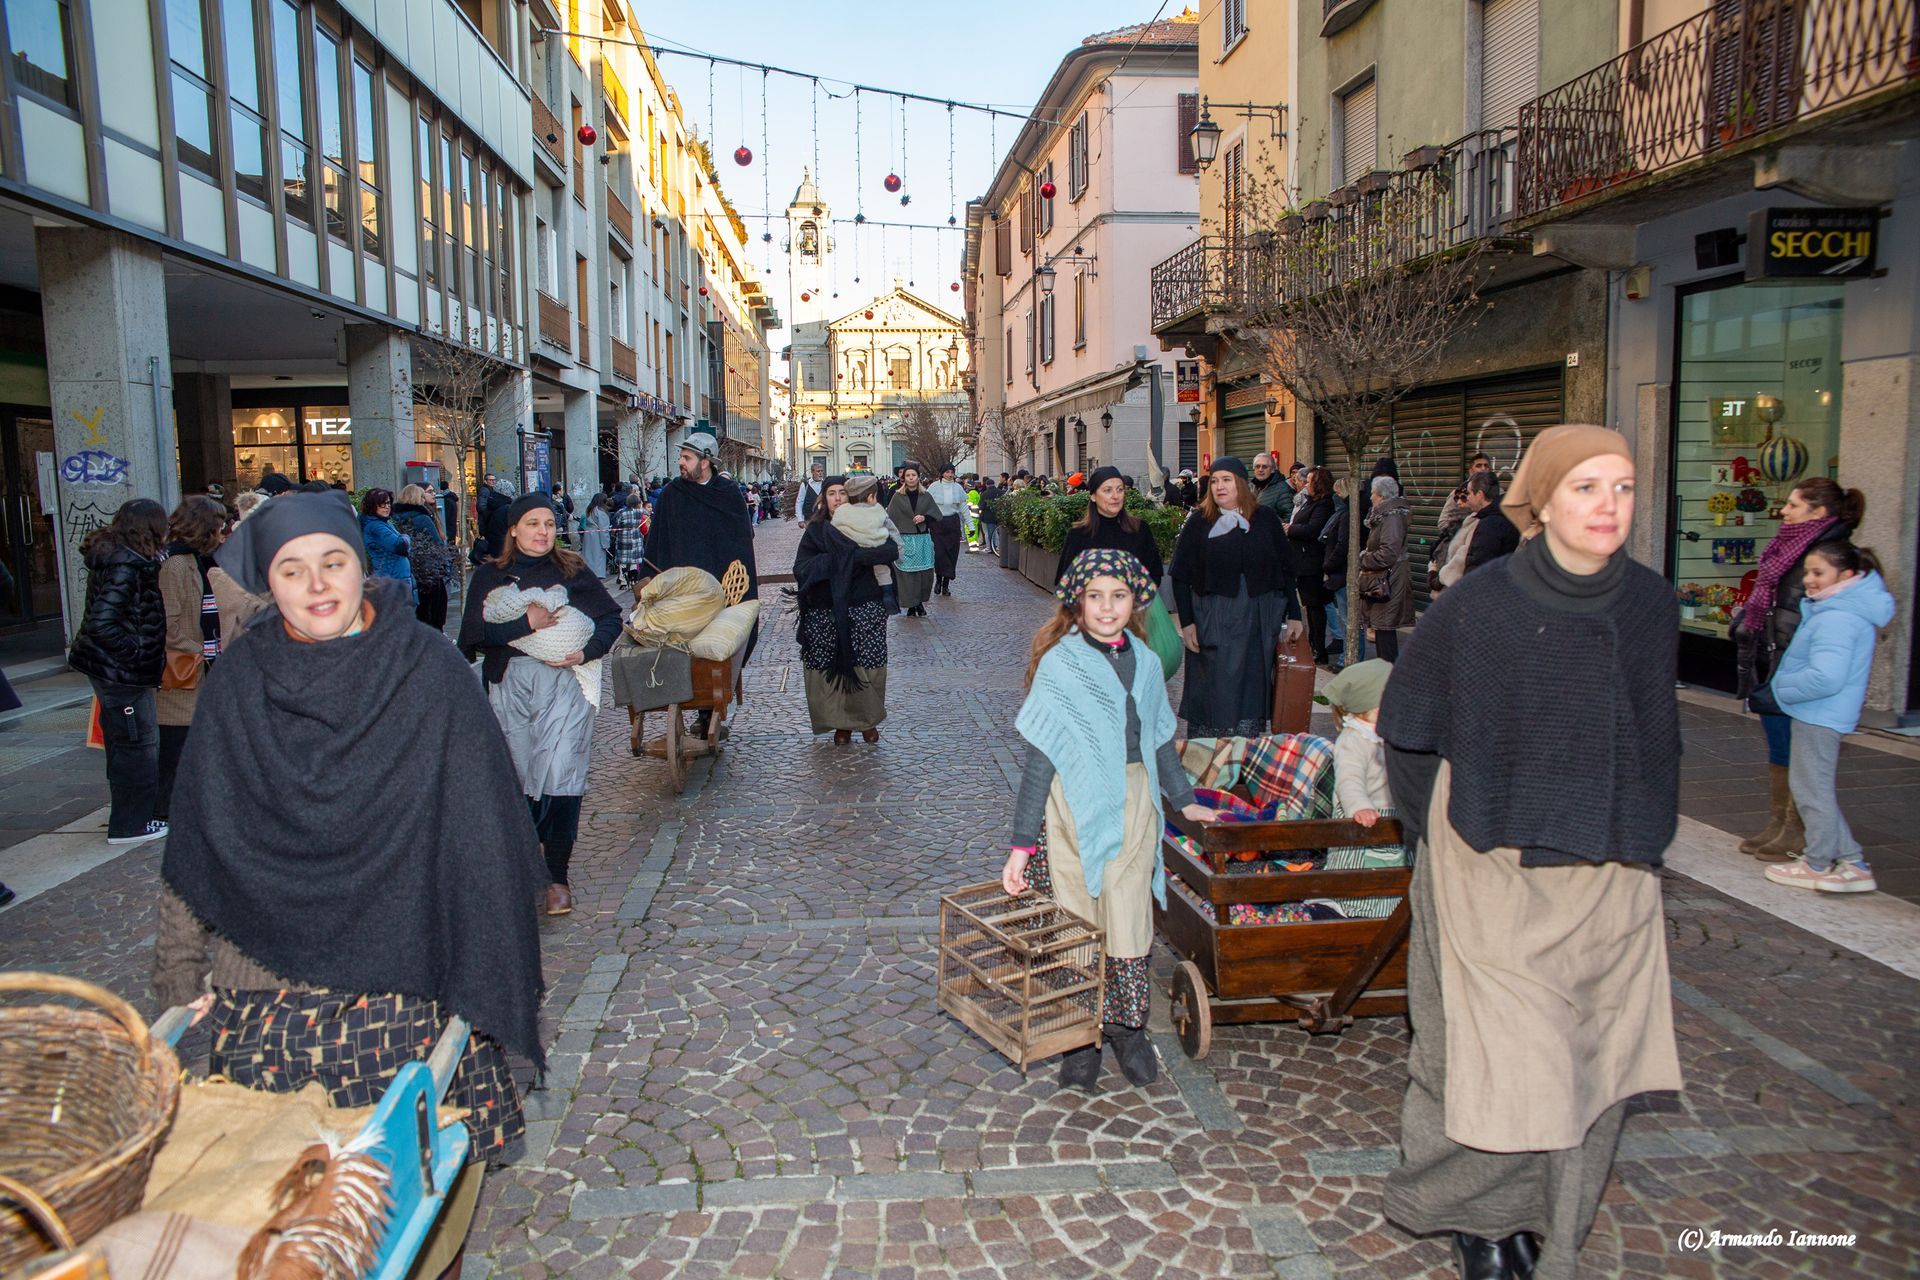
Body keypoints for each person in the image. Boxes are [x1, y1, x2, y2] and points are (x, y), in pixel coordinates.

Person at [155, 491, 545, 1236]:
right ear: (267, 582)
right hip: (268, 996)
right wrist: (178, 970)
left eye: (332, 562)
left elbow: (482, 830)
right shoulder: (240, 681)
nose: (316, 586)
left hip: (405, 989)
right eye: (291, 570)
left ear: (360, 565)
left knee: (414, 1210)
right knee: (285, 1219)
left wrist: (481, 963)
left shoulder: (426, 669)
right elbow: (201, 832)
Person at [1378, 425, 1683, 1280]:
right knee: (1487, 1050)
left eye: (1623, 487)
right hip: (1491, 859)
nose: (1609, 505)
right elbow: (1408, 729)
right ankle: (1481, 1218)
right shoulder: (1478, 606)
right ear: (1541, 500)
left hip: (1610, 867)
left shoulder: (1651, 604)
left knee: (1597, 1053)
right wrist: (1439, 843)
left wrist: (1643, 829)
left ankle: (1557, 1219)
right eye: (1586, 487)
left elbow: (1656, 734)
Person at [1002, 549, 1216, 1092]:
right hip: (1072, 808)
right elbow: (1041, 756)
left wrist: (1184, 799)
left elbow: (1160, 738)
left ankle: (1125, 1030)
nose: (1106, 607)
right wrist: (1022, 845)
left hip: (1133, 802)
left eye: (1118, 596)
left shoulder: (1146, 663)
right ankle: (1080, 1037)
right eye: (1094, 596)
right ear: (1076, 602)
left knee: (1127, 916)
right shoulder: (1060, 665)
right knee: (1076, 919)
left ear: (1135, 601)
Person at [460, 495, 622, 917]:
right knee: (519, 775)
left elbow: (611, 618)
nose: (543, 531)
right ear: (514, 529)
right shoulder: (489, 576)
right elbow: (472, 638)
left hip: (564, 685)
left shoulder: (571, 570)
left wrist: (585, 652)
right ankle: (526, 865)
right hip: (507, 687)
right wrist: (524, 624)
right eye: (533, 523)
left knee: (562, 772)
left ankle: (556, 878)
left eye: (549, 523)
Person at [1730, 477, 1862, 862]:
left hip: (1798, 661)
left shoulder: (1831, 554)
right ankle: (1780, 822)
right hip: (1775, 654)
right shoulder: (1787, 545)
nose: (1784, 511)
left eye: (1793, 505)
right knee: (1778, 739)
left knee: (1798, 750)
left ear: (1818, 512)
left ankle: (1799, 829)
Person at [1761, 540, 1892, 895]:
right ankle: (1852, 862)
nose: (1809, 579)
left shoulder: (1837, 617)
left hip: (1819, 713)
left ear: (1846, 575)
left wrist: (1783, 687)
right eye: (1807, 572)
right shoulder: (1839, 610)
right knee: (1813, 788)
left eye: (1819, 572)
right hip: (1822, 712)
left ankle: (1818, 861)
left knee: (1811, 791)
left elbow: (1826, 677)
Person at [1169, 457, 1303, 738]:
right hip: (1213, 618)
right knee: (1214, 685)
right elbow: (1180, 576)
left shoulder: (1265, 519)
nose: (1219, 486)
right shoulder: (1199, 522)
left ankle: (1244, 747)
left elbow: (1286, 570)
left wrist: (1294, 614)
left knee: (1251, 683)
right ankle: (1210, 750)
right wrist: (1188, 622)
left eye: (1226, 480)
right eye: (1215, 481)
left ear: (1240, 484)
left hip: (1257, 619)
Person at [641, 426, 760, 735]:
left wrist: (735, 587)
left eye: (686, 458)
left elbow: (741, 539)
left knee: (714, 651)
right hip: (681, 590)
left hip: (721, 587)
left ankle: (711, 710)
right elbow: (657, 539)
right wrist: (648, 577)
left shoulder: (727, 494)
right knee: (682, 647)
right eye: (681, 457)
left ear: (705, 461)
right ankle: (687, 704)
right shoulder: (672, 494)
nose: (681, 463)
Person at [69, 498, 169, 846]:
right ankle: (130, 824)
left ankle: (133, 819)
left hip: (118, 671)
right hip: (121, 674)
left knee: (129, 744)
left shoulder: (127, 559)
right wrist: (135, 654)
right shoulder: (126, 565)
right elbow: (101, 623)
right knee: (135, 746)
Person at [796, 475, 899, 745]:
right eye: (831, 493)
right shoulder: (817, 530)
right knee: (831, 663)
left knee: (868, 662)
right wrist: (845, 559)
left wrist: (849, 557)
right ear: (823, 498)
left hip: (865, 604)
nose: (838, 498)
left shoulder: (870, 521)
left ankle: (866, 721)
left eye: (842, 492)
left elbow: (889, 550)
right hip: (826, 608)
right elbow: (802, 568)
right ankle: (841, 724)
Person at [155, 496, 227, 822]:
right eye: (218, 525)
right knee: (176, 744)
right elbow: (168, 625)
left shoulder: (198, 559)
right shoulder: (175, 564)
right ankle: (167, 810)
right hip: (184, 668)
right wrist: (198, 652)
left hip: (201, 663)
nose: (222, 531)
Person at [1055, 466, 1162, 586]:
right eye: (1108, 490)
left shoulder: (1139, 529)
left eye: (1120, 489)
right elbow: (1065, 582)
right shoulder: (1078, 535)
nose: (1115, 496)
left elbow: (1155, 573)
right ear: (1093, 496)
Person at [1357, 475, 1414, 661]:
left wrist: (1364, 558)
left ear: (1381, 496)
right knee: (1382, 628)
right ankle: (1386, 669)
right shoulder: (1386, 515)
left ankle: (1387, 671)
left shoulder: (1391, 517)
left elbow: (1388, 553)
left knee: (1384, 628)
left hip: (1388, 580)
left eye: (1373, 493)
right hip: (1385, 578)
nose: (1370, 497)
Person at [1286, 467, 1337, 664]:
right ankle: (1313, 645)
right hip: (1303, 561)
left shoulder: (1324, 505)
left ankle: (1318, 648)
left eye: (1309, 481)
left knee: (1316, 607)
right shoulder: (1310, 502)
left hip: (1312, 562)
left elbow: (1313, 529)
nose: (1306, 484)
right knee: (1311, 608)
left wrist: (1291, 529)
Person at [393, 483, 453, 630]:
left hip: (407, 568)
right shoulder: (422, 518)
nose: (425, 499)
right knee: (435, 609)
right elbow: (437, 542)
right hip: (428, 569)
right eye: (423, 495)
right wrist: (446, 565)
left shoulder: (395, 518)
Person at [1321, 476, 1364, 671]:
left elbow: (1342, 544)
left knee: (1349, 620)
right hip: (1340, 572)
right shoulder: (1346, 513)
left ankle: (1349, 659)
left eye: (1338, 492)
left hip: (1342, 573)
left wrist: (1328, 565)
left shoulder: (1347, 515)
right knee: (1347, 618)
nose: (1335, 496)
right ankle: (1349, 658)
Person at [886, 461, 939, 618]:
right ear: (904, 478)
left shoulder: (926, 495)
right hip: (905, 539)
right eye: (908, 475)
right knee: (907, 574)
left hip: (922, 538)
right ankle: (910, 603)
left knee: (924, 573)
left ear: (918, 477)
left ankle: (920, 602)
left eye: (913, 475)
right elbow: (890, 518)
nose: (910, 478)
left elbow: (936, 514)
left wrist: (924, 517)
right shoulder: (897, 496)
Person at [358, 488, 416, 606]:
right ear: (372, 506)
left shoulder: (383, 523)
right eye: (382, 504)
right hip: (391, 579)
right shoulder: (375, 526)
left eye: (388, 503)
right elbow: (400, 545)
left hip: (395, 577)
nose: (386, 507)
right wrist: (405, 537)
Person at [927, 464, 969, 596]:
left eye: (952, 472)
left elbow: (963, 508)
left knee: (951, 554)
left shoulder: (958, 488)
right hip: (937, 524)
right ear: (942, 473)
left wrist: (970, 525)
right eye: (947, 472)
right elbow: (926, 506)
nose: (950, 475)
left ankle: (946, 585)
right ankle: (938, 580)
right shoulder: (933, 487)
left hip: (952, 524)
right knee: (939, 554)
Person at [578, 492, 612, 578]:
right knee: (597, 558)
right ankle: (597, 576)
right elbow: (604, 529)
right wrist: (606, 544)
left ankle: (588, 574)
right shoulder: (600, 512)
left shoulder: (590, 510)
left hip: (588, 535)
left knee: (588, 556)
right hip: (597, 536)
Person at [1251, 453, 1290, 519]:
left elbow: (1289, 516)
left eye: (1264, 467)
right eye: (1257, 466)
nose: (1260, 470)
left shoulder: (1282, 488)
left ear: (1272, 470)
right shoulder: (1250, 486)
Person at [978, 473, 1003, 555]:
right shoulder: (1001, 492)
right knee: (997, 532)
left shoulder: (985, 493)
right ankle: (998, 547)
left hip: (986, 516)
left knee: (988, 533)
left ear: (986, 485)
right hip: (998, 515)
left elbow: (981, 506)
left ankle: (990, 548)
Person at [797, 461, 827, 527]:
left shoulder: (825, 484)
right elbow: (799, 502)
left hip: (824, 519)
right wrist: (800, 519)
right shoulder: (805, 485)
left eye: (822, 471)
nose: (820, 473)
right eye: (818, 471)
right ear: (812, 472)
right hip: (809, 519)